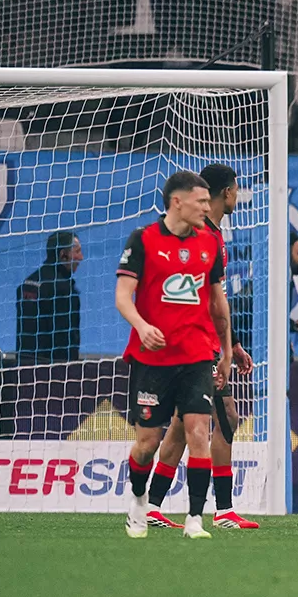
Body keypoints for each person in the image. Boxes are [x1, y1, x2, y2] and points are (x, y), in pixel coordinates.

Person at [117, 171, 233, 540]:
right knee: (148, 442)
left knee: (199, 430)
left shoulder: (209, 244)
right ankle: (138, 500)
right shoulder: (144, 240)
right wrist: (141, 325)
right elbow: (123, 295)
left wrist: (227, 351)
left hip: (197, 354)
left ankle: (195, 519)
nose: (206, 206)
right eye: (200, 201)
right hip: (152, 358)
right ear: (177, 202)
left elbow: (218, 304)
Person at [148, 164, 258, 530]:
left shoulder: (209, 234)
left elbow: (215, 301)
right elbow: (210, 302)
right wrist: (224, 350)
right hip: (198, 344)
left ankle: (151, 505)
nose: (237, 196)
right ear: (226, 193)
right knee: (226, 417)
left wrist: (235, 344)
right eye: (236, 190)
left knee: (182, 425)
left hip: (202, 341)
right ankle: (224, 510)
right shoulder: (205, 236)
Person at [17, 231, 83, 361]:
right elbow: (66, 341)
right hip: (54, 372)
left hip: (24, 368)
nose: (81, 257)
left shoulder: (28, 283)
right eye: (77, 252)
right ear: (63, 255)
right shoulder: (64, 290)